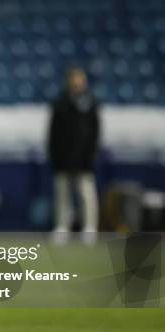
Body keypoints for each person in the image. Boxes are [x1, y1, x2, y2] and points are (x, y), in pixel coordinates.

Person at [48, 67, 100, 243]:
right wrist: (54, 155)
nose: (76, 82)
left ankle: (89, 228)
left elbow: (94, 132)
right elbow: (53, 132)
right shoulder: (61, 103)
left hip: (84, 158)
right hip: (63, 158)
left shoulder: (90, 102)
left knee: (86, 194)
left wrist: (91, 154)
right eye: (73, 78)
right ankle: (62, 227)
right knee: (62, 195)